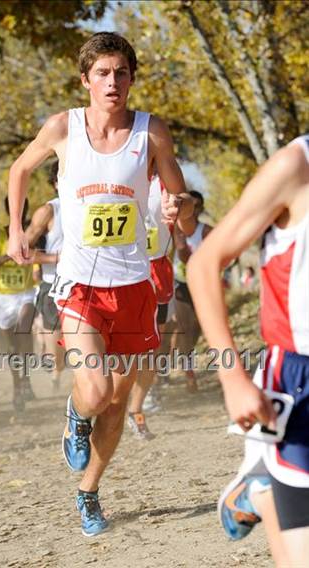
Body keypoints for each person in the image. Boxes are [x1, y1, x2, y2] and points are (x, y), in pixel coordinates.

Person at [7, 32, 193, 536]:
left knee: (118, 397)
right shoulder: (62, 128)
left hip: (134, 284)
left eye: (122, 73)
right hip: (79, 286)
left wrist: (176, 206)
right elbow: (20, 170)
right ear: (86, 79)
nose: (114, 82)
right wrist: (13, 232)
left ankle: (89, 491)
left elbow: (179, 196)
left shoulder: (152, 132)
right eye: (103, 73)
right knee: (95, 389)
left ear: (132, 78)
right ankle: (74, 413)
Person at [187, 135, 309, 566]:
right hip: (299, 380)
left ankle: (261, 489)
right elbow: (204, 264)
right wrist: (232, 378)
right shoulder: (295, 165)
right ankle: (262, 491)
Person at [0, 197, 42, 412]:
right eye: (17, 206)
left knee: (24, 330)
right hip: (3, 297)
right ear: (10, 209)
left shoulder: (33, 233)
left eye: (25, 206)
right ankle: (19, 384)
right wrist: (8, 257)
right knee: (11, 348)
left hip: (26, 293)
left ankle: (25, 380)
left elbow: (42, 256)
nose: (21, 210)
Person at [127, 174, 175, 439]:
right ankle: (103, 402)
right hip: (121, 269)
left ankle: (136, 409)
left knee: (152, 348)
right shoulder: (116, 169)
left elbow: (182, 217)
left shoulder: (166, 181)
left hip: (157, 271)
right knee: (120, 346)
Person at [25, 161, 65, 390]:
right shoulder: (49, 211)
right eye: (64, 177)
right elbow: (20, 252)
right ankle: (56, 374)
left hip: (86, 284)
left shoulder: (91, 207)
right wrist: (55, 258)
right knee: (56, 343)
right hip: (53, 286)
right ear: (56, 183)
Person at [171, 190, 212, 392]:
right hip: (180, 283)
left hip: (202, 284)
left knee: (196, 327)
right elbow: (177, 255)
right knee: (185, 325)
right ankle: (189, 374)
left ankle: (179, 351)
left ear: (201, 209)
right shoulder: (174, 229)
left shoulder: (207, 232)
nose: (192, 211)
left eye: (196, 207)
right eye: (189, 206)